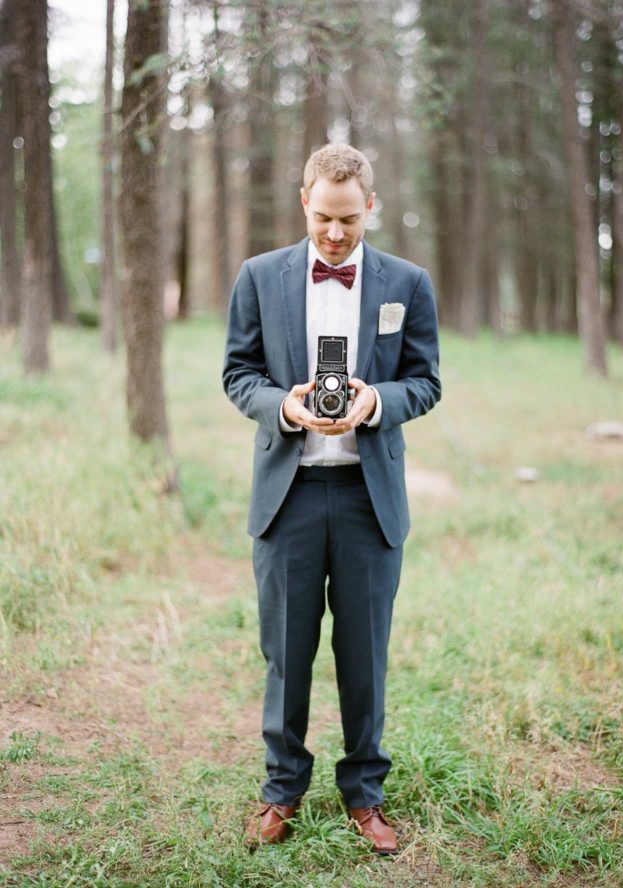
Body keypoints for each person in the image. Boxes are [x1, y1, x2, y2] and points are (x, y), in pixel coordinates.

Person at [222, 143, 441, 854]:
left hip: (366, 498)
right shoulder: (259, 276)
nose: (336, 235)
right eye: (323, 219)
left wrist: (378, 400)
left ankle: (365, 795)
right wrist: (282, 406)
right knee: (286, 652)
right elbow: (237, 373)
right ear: (303, 202)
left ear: (370, 205)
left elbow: (426, 380)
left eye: (348, 220)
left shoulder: (408, 281)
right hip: (287, 496)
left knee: (364, 654)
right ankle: (281, 790)